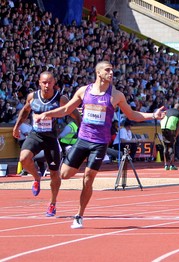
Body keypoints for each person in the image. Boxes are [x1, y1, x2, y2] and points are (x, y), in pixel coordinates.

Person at [35, 61, 165, 229]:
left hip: (100, 143)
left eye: (112, 70)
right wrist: (47, 114)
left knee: (88, 178)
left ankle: (79, 215)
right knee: (65, 175)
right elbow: (66, 109)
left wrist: (153, 115)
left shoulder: (116, 95)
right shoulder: (84, 91)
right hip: (82, 139)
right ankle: (72, 172)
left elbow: (132, 114)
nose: (111, 73)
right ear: (98, 73)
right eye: (108, 70)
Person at [12, 71, 81, 217]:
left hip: (51, 139)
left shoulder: (60, 98)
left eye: (49, 82)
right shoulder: (33, 97)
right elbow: (25, 111)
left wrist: (82, 130)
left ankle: (52, 204)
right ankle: (37, 178)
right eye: (44, 82)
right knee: (23, 159)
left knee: (54, 173)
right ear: (39, 83)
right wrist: (17, 126)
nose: (47, 85)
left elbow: (75, 114)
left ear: (54, 83)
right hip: (35, 135)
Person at [160, 103, 179, 170]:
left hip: (163, 127)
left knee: (165, 146)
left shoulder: (167, 110)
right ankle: (172, 165)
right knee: (171, 146)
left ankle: (165, 165)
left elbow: (162, 118)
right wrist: (176, 135)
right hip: (171, 128)